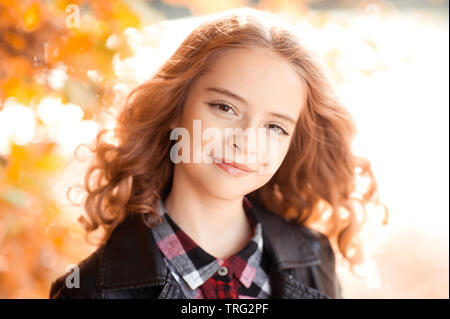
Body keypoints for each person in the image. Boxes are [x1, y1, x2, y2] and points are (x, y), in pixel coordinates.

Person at [49, 7, 385, 299]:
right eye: (224, 107)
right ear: (175, 107)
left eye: (275, 127)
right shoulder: (88, 290)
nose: (246, 141)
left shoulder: (314, 259)